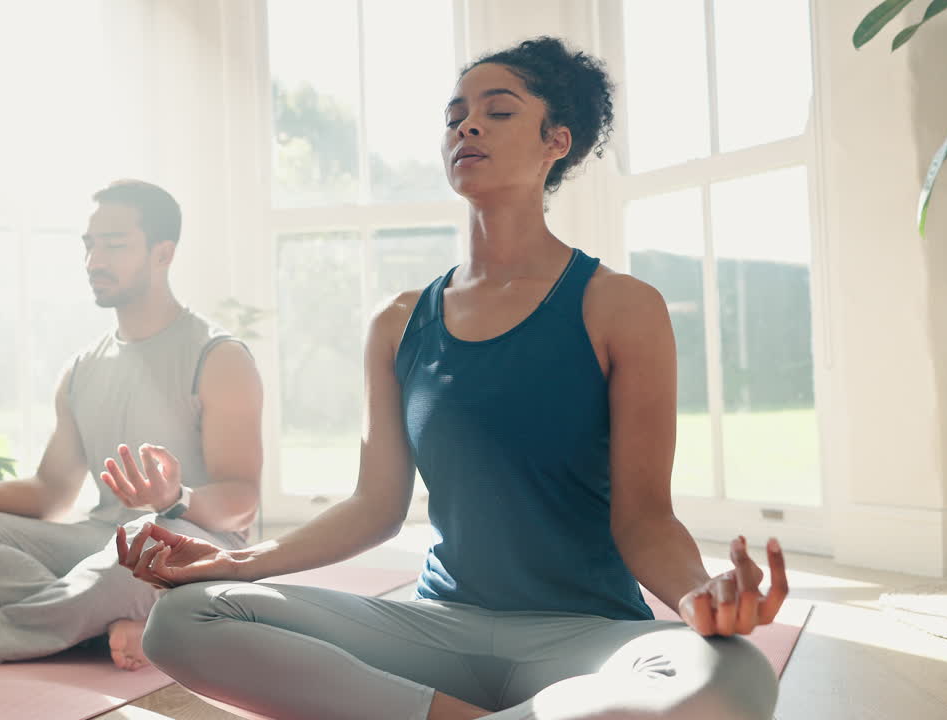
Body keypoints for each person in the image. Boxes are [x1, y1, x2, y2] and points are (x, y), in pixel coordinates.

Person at [119, 38, 787, 719]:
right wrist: (231, 563)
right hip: (433, 634)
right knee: (182, 620)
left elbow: (645, 520)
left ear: (558, 141)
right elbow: (374, 507)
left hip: (588, 638)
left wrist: (703, 593)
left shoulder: (620, 306)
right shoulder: (398, 323)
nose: (466, 126)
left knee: (732, 682)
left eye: (498, 112)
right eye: (455, 116)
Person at [0, 179, 263, 672]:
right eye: (89, 245)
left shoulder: (219, 357)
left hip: (192, 547)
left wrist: (175, 499)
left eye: (114, 245)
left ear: (164, 253)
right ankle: (104, 630)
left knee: (141, 546)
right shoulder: (81, 369)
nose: (95, 261)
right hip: (102, 543)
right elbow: (51, 492)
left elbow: (242, 502)